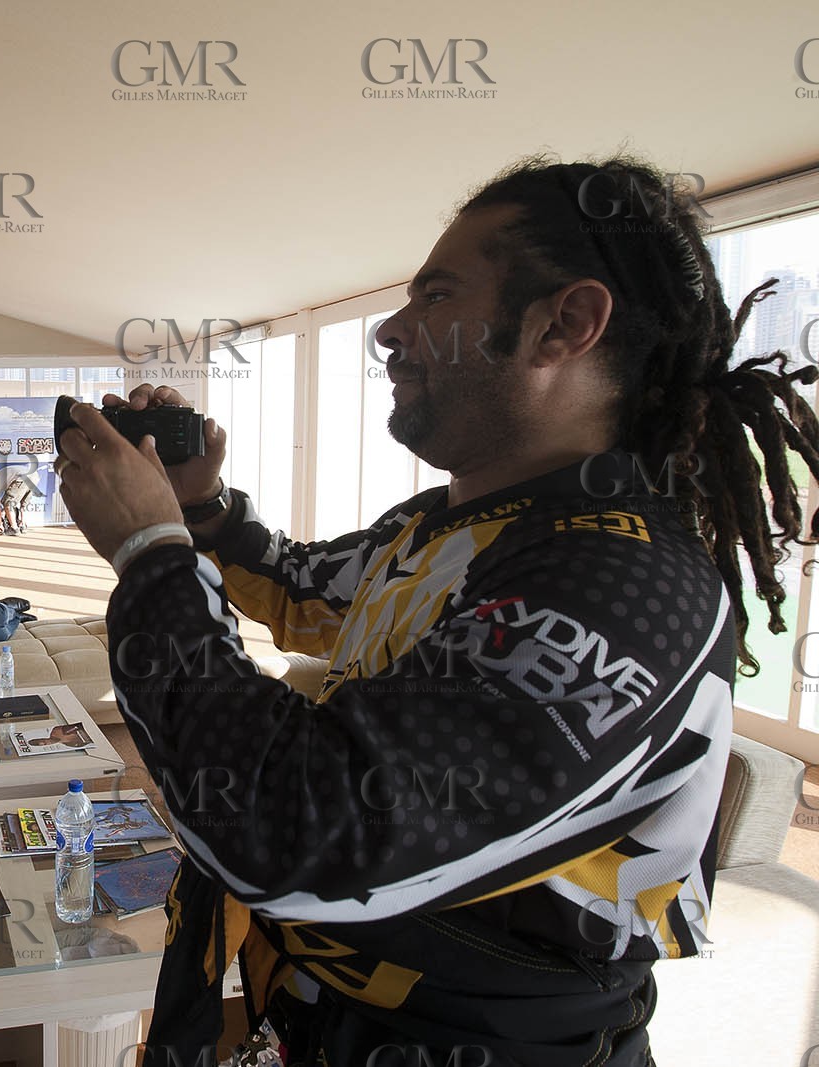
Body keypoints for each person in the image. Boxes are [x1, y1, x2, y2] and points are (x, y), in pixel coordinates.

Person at [54, 156, 806, 1065]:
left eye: (436, 295)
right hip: (322, 1022)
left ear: (564, 324)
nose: (388, 331)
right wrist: (199, 509)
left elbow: (296, 822)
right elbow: (303, 589)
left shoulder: (628, 584)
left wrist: (150, 553)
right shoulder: (452, 525)